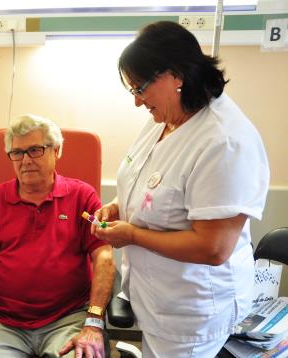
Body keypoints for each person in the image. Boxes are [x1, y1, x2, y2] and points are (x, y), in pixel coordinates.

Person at [91, 21, 270, 357]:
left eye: (140, 88)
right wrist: (118, 206)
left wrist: (131, 234)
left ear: (175, 75)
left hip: (194, 311)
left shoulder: (224, 143)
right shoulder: (165, 117)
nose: (137, 102)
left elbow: (213, 248)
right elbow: (152, 182)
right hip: (157, 298)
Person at [0, 114, 116, 358]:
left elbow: (104, 255)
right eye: (17, 153)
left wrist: (94, 321)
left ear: (56, 151)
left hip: (68, 318)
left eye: (35, 150)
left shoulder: (82, 196)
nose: (25, 161)